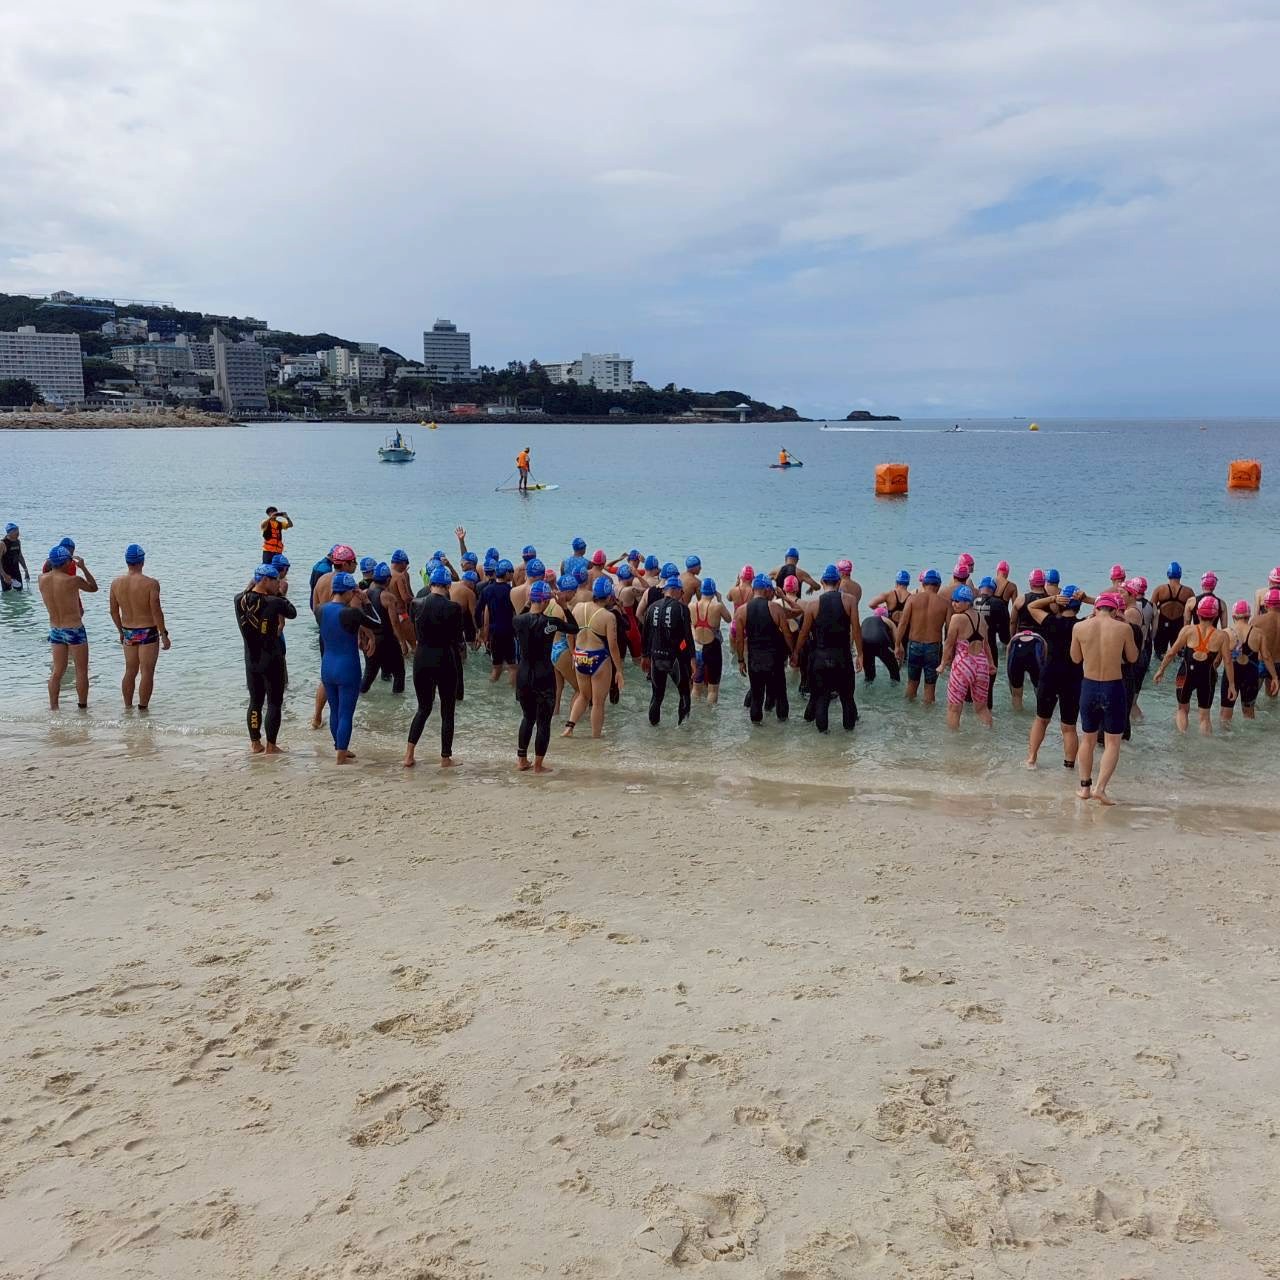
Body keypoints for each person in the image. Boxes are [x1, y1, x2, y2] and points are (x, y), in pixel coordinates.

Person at [1071, 593, 1139, 803]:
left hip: (1089, 686)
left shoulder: (1079, 627)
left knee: (1088, 739)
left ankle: (1085, 788)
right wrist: (1125, 624)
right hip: (1113, 687)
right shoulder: (1123, 628)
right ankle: (1100, 788)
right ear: (1116, 610)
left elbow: (1075, 658)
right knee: (1112, 742)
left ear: (1095, 608)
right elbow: (1133, 657)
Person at [512, 580, 579, 770]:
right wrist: (564, 607)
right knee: (543, 723)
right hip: (544, 676)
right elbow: (574, 628)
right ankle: (538, 765)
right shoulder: (551, 623)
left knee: (527, 718)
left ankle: (522, 760)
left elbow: (521, 616)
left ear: (531, 599)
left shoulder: (518, 621)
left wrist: (527, 603)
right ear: (545, 601)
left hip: (523, 675)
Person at [315, 571, 381, 764]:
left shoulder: (320, 610)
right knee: (345, 714)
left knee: (334, 710)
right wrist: (366, 602)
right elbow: (377, 623)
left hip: (327, 666)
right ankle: (341, 755)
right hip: (347, 667)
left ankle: (340, 746)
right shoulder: (351, 613)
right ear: (349, 592)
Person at [404, 565, 465, 767]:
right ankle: (445, 758)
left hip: (422, 658)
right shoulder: (454, 607)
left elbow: (415, 630)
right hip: (445, 658)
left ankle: (409, 755)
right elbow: (458, 638)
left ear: (430, 584)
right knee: (447, 711)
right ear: (448, 586)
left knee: (423, 708)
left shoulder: (416, 603)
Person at [235, 563, 296, 754]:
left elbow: (250, 596)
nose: (279, 583)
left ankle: (255, 743)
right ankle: (271, 745)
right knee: (274, 703)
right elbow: (292, 612)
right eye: (275, 580)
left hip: (251, 659)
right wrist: (280, 594)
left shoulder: (238, 599)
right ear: (265, 580)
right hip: (272, 658)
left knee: (255, 701)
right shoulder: (274, 602)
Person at [1153, 596, 1234, 734]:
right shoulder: (1222, 636)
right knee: (1205, 717)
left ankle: (1182, 739)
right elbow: (1227, 661)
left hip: (1186, 675)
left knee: (1182, 710)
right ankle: (1205, 744)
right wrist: (1231, 684)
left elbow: (1171, 653)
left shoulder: (1187, 630)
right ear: (1215, 615)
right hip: (1207, 677)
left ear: (1197, 613)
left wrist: (1161, 670)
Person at [795, 564, 861, 732]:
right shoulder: (850, 601)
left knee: (821, 699)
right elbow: (856, 629)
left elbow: (803, 634)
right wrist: (860, 654)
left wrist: (795, 653)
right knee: (847, 699)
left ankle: (823, 738)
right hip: (842, 658)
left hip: (820, 659)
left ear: (822, 582)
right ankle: (849, 737)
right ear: (838, 582)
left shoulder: (812, 605)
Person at [1025, 587, 1085, 768]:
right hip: (1073, 677)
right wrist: (1086, 598)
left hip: (1049, 674)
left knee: (1041, 719)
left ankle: (1032, 759)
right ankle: (1069, 765)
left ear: (1060, 604)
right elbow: (1103, 608)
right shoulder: (1083, 626)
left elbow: (1032, 606)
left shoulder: (1050, 621)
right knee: (1069, 726)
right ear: (1078, 607)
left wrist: (1052, 598)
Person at [107, 544, 171, 710]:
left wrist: (120, 631)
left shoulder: (116, 583)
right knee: (147, 672)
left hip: (128, 631)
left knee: (130, 670)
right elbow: (156, 610)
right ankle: (143, 709)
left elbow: (113, 611)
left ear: (127, 561)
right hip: (147, 631)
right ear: (142, 561)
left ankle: (128, 708)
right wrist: (163, 634)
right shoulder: (151, 584)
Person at [38, 544, 99, 710]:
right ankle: (82, 707)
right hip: (74, 629)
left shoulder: (41, 579)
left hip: (55, 630)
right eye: (70, 561)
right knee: (81, 670)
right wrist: (83, 568)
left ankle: (54, 708)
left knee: (57, 671)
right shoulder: (73, 580)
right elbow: (94, 588)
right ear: (66, 562)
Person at [564, 577, 624, 738]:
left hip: (580, 655)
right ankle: (596, 737)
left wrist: (573, 653)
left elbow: (569, 633)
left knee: (583, 696)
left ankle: (569, 728)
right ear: (609, 596)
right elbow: (613, 646)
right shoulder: (608, 616)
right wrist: (619, 670)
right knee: (598, 703)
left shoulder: (578, 607)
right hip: (598, 658)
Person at [734, 573, 793, 723]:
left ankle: (756, 730)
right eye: (771, 590)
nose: (772, 593)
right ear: (766, 590)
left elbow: (739, 640)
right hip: (774, 660)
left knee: (756, 696)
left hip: (754, 661)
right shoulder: (775, 608)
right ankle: (782, 728)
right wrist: (793, 653)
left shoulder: (741, 611)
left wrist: (741, 660)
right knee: (781, 695)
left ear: (754, 589)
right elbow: (787, 634)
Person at [644, 574, 696, 725]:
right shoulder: (681, 609)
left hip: (656, 657)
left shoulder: (652, 607)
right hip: (675, 658)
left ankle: (653, 729)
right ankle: (682, 730)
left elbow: (645, 635)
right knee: (684, 693)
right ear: (677, 590)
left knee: (657, 695)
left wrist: (644, 656)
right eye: (682, 592)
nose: (682, 596)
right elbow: (688, 637)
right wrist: (693, 660)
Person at [939, 585, 991, 729]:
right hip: (982, 665)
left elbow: (949, 643)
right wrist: (991, 664)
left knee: (954, 709)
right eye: (953, 600)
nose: (954, 604)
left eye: (958, 601)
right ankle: (989, 736)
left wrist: (942, 664)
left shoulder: (957, 618)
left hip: (964, 664)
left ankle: (953, 740)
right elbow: (986, 645)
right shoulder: (981, 618)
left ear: (967, 602)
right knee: (982, 707)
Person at [895, 569, 950, 704]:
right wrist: (948, 655)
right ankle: (927, 716)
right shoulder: (946, 604)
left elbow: (903, 623)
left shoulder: (912, 599)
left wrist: (897, 645)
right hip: (934, 647)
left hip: (914, 645)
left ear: (923, 584)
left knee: (911, 684)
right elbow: (950, 632)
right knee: (930, 688)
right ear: (938, 585)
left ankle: (907, 714)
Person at [1220, 601, 1278, 723]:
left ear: (1233, 616)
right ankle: (1251, 736)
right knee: (1249, 713)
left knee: (1225, 713)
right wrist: (1274, 677)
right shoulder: (1258, 633)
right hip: (1250, 676)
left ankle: (1225, 735)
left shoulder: (1226, 632)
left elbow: (1218, 659)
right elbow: (1266, 657)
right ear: (1249, 616)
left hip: (1231, 676)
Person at [1006, 568, 1050, 710]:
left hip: (1019, 643)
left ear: (1030, 583)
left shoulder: (1021, 599)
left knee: (1016, 693)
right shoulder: (1050, 601)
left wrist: (1012, 639)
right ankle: (1041, 717)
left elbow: (1012, 622)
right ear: (1044, 583)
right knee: (1040, 690)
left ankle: (1016, 719)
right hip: (1039, 645)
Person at [360, 563, 406, 694]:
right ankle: (397, 701)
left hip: (371, 638)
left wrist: (362, 638)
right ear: (388, 579)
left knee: (369, 674)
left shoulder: (365, 593)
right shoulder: (388, 597)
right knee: (399, 672)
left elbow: (361, 618)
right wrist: (402, 642)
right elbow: (394, 622)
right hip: (387, 639)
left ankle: (359, 697)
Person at [690, 578, 733, 703]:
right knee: (713, 689)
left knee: (696, 686)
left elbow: (690, 625)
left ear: (701, 591)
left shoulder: (691, 606)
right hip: (713, 648)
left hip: (697, 648)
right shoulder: (717, 606)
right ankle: (711, 714)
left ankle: (694, 711)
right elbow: (729, 619)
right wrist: (720, 599)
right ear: (714, 591)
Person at [972, 576, 1010, 709]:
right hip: (989, 648)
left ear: (980, 588)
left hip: (970, 648)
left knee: (969, 683)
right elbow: (1005, 633)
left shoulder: (970, 601)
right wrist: (1006, 641)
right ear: (993, 590)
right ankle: (986, 714)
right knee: (988, 686)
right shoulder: (998, 604)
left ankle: (967, 715)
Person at [477, 559, 517, 684]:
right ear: (507, 573)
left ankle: (490, 691)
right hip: (509, 632)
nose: (513, 574)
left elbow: (477, 611)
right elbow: (516, 613)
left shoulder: (487, 590)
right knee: (513, 667)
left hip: (494, 633)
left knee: (496, 667)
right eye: (512, 572)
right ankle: (513, 693)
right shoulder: (511, 591)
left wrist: (481, 631)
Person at [1150, 562, 1193, 657]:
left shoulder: (1160, 589)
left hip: (1162, 624)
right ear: (1180, 574)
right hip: (1179, 625)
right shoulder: (1188, 591)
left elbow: (1150, 609)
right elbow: (1194, 612)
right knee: (1180, 655)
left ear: (1168, 574)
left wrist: (1151, 629)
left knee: (1159, 655)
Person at [860, 606, 900, 683]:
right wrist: (900, 664)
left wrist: (859, 654)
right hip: (881, 642)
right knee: (895, 673)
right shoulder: (888, 621)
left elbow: (858, 636)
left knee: (869, 677)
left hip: (865, 644)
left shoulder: (865, 620)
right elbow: (899, 645)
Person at [2, 522, 29, 591]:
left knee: (20, 591)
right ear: (9, 533)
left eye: (18, 531)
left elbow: (20, 556)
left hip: (16, 571)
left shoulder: (17, 542)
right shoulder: (2, 544)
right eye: (15, 531)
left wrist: (26, 570)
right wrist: (4, 575)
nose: (18, 533)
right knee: (7, 593)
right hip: (6, 572)